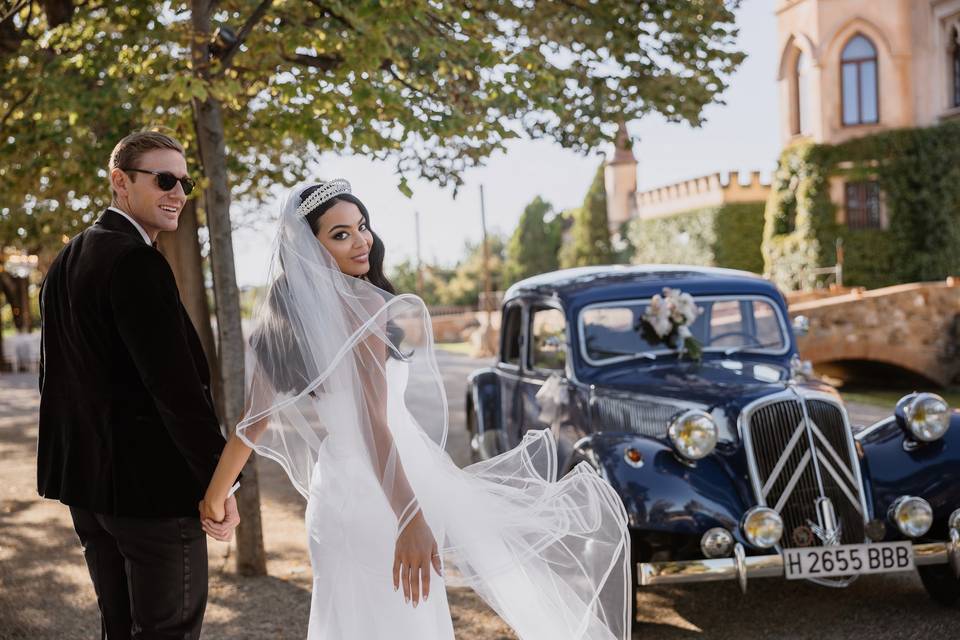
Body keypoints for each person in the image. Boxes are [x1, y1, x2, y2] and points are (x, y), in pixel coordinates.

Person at [200, 180, 631, 640]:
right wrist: (409, 517)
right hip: (386, 498)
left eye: (361, 226)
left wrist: (214, 498)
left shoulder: (278, 320)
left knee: (347, 621)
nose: (362, 240)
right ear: (309, 247)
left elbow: (250, 425)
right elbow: (373, 424)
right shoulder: (364, 305)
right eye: (340, 233)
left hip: (338, 496)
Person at [37, 130, 240, 640]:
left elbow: (56, 380)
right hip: (153, 498)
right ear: (120, 182)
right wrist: (222, 482)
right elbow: (176, 390)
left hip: (89, 493)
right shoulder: (136, 260)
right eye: (165, 179)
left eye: (185, 182)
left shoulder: (67, 260)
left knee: (119, 630)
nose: (178, 193)